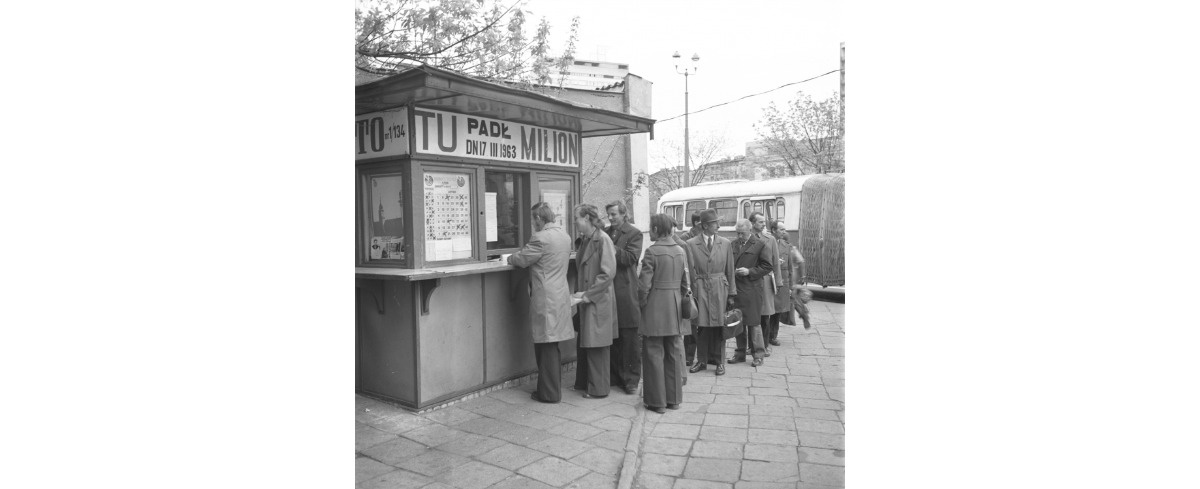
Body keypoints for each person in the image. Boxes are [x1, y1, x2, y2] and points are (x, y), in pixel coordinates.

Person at [508, 202, 575, 403]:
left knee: (545, 346)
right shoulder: (565, 236)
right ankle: (550, 390)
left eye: (533, 219)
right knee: (551, 345)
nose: (533, 224)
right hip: (560, 294)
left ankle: (549, 393)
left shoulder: (540, 238)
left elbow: (522, 259)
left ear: (539, 218)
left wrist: (510, 257)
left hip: (545, 296)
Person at [638, 213, 688, 413]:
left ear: (657, 229)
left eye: (651, 227)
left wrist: (642, 305)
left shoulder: (652, 252)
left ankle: (657, 402)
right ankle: (673, 399)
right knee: (673, 353)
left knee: (653, 353)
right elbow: (685, 285)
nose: (650, 231)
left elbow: (643, 287)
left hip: (655, 308)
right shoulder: (680, 250)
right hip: (674, 308)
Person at [570, 204, 618, 398]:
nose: (575, 222)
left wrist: (586, 295)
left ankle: (598, 389)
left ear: (588, 219)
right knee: (590, 343)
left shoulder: (602, 240)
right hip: (590, 298)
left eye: (577, 219)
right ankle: (591, 385)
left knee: (597, 344)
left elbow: (607, 274)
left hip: (597, 300)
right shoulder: (587, 240)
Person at [685, 209, 738, 376]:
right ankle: (701, 361)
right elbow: (690, 271)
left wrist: (731, 293)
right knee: (701, 327)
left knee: (718, 327)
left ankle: (719, 362)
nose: (719, 225)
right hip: (700, 288)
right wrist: (691, 291)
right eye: (715, 223)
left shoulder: (726, 243)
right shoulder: (691, 244)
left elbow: (730, 270)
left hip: (719, 289)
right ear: (706, 225)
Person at [605, 201, 643, 395]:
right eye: (609, 215)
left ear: (623, 214)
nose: (610, 218)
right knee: (613, 334)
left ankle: (631, 380)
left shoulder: (634, 234)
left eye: (614, 215)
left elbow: (630, 259)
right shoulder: (605, 231)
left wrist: (610, 246)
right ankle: (614, 376)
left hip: (626, 291)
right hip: (608, 290)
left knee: (629, 336)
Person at [730, 218, 773, 367]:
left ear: (749, 230)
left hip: (752, 289)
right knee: (738, 321)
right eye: (737, 233)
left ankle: (758, 354)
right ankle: (740, 353)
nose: (739, 236)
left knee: (754, 323)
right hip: (737, 289)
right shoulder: (732, 244)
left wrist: (749, 271)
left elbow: (767, 266)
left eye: (742, 233)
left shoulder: (760, 244)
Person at [749, 212, 781, 357]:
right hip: (750, 281)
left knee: (765, 315)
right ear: (752, 223)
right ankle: (752, 346)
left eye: (764, 222)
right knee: (751, 314)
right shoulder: (746, 237)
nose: (764, 224)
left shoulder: (770, 239)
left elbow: (775, 262)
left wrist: (778, 281)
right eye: (760, 222)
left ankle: (765, 345)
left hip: (766, 280)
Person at [769, 219, 804, 343]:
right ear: (773, 230)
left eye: (784, 229)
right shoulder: (766, 242)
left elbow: (790, 268)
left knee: (778, 311)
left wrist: (789, 286)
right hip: (769, 281)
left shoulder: (786, 246)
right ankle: (764, 336)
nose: (784, 232)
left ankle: (773, 336)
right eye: (781, 229)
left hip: (782, 283)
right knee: (768, 311)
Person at [676, 210, 703, 366]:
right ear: (697, 223)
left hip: (702, 282)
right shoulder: (685, 240)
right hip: (691, 284)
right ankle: (689, 355)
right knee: (691, 321)